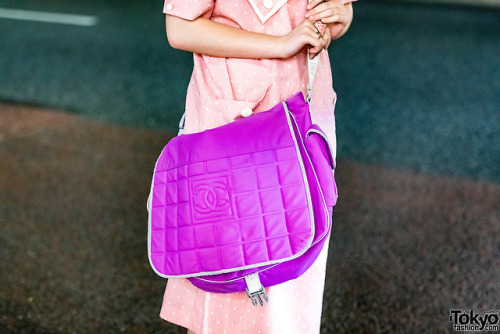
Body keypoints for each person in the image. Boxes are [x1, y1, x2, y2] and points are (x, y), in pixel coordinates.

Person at [159, 0, 355, 333]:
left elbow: (338, 12)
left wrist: (333, 22)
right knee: (224, 293)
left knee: (289, 295)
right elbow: (180, 27)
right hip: (233, 128)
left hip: (302, 117)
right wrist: (280, 45)